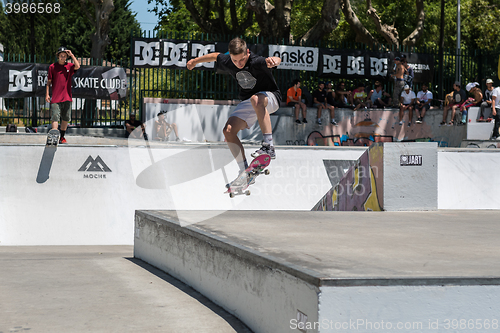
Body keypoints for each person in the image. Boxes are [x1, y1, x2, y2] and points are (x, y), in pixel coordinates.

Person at [186, 37, 281, 187]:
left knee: (256, 99)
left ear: (247, 53)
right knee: (228, 131)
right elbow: (215, 55)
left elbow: (276, 58)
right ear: (230, 56)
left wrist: (275, 60)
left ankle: (268, 146)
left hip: (270, 97)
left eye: (242, 60)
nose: (239, 64)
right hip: (249, 101)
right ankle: (245, 171)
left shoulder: (256, 61)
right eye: (235, 61)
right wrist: (194, 61)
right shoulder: (228, 61)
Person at [45, 46, 80, 144]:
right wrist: (47, 94)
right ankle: (54, 136)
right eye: (61, 56)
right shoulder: (52, 67)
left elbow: (77, 66)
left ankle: (62, 137)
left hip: (67, 97)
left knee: (66, 118)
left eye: (64, 56)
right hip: (56, 97)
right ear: (58, 56)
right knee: (55, 116)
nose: (63, 58)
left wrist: (72, 55)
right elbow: (48, 82)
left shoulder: (69, 66)